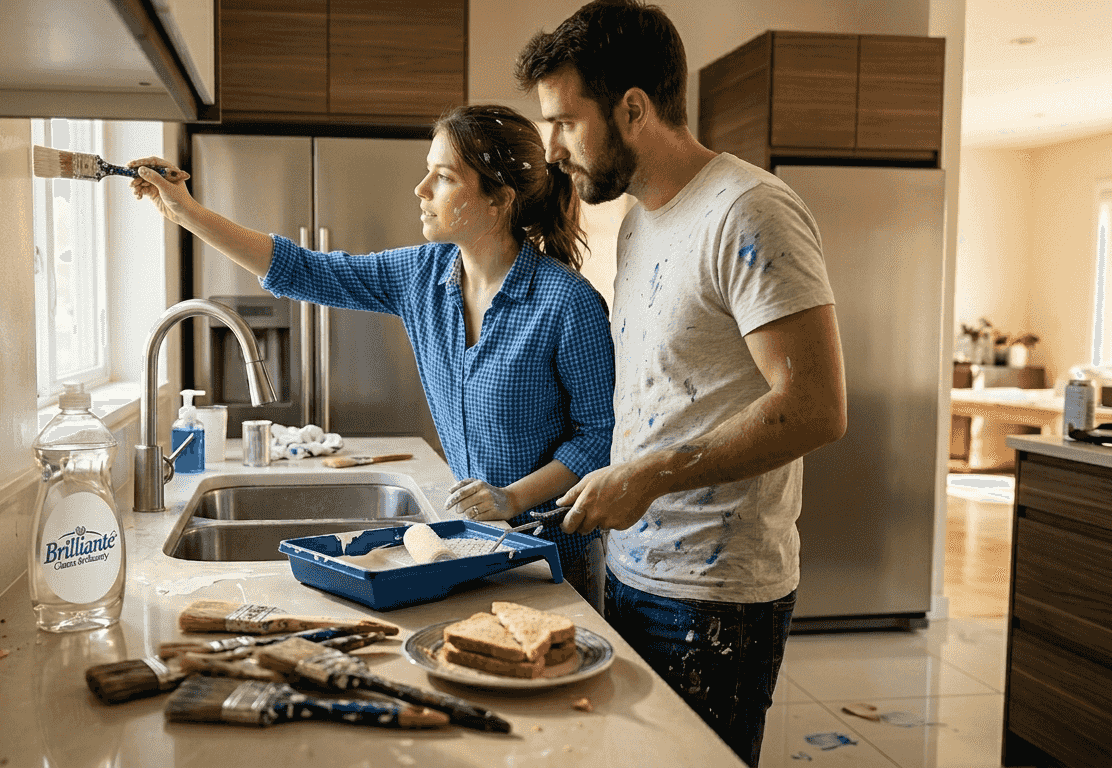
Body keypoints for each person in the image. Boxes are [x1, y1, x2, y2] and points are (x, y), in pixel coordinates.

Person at [515, 2, 848, 765]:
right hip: (633, 569)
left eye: (566, 121)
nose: (552, 146)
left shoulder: (749, 211)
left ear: (633, 108)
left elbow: (816, 407)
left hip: (716, 596)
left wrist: (649, 475)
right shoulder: (638, 221)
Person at [129, 105, 615, 602]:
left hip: (553, 559)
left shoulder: (567, 303)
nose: (421, 189)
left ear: (499, 201)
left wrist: (512, 498)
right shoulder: (424, 275)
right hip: (474, 549)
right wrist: (185, 211)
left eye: (443, 177)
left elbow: (600, 438)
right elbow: (305, 270)